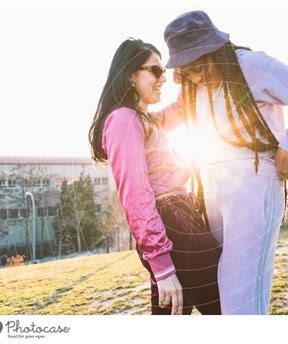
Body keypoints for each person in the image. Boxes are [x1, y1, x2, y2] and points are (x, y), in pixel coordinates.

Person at [156, 11, 288, 314]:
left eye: (197, 64)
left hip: (254, 183)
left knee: (240, 295)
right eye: (186, 68)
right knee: (219, 295)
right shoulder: (191, 83)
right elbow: (175, 113)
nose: (193, 75)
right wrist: (136, 123)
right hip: (212, 188)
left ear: (214, 48)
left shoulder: (251, 65)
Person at [88, 38, 222, 315]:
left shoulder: (145, 120)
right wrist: (162, 267)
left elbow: (183, 108)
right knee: (227, 306)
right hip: (171, 223)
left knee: (172, 313)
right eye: (155, 71)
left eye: (164, 71)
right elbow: (135, 195)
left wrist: (187, 70)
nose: (163, 79)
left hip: (177, 219)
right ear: (130, 75)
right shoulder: (124, 120)